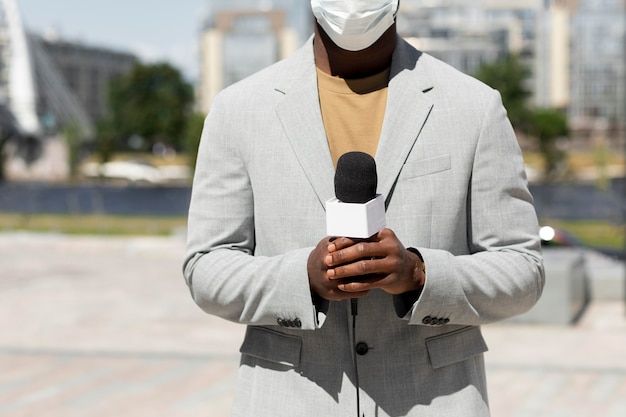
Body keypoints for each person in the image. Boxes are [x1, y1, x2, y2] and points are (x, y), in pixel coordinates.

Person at [183, 1, 545, 416]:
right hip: (287, 400)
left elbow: (522, 270)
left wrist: (419, 273)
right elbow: (206, 267)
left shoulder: (474, 105)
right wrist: (302, 278)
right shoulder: (238, 110)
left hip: (435, 401)